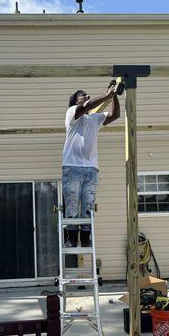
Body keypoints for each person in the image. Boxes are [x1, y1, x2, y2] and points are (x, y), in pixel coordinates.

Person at [62, 82, 120, 248]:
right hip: (72, 166)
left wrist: (114, 95)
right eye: (83, 95)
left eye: (88, 94)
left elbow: (114, 116)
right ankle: (72, 238)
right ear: (75, 101)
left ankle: (86, 238)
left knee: (88, 204)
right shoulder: (72, 112)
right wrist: (108, 95)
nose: (86, 96)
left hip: (91, 168)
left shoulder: (93, 119)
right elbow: (86, 106)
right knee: (72, 202)